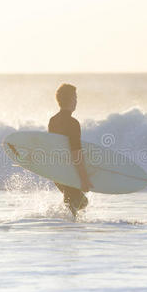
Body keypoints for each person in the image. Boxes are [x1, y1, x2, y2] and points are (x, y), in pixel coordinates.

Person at [48, 83, 93, 216]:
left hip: (57, 172)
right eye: (76, 97)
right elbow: (75, 152)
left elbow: (53, 148)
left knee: (75, 202)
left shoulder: (53, 120)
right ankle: (68, 228)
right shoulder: (73, 123)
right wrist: (84, 178)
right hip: (69, 171)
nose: (76, 101)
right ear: (71, 99)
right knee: (78, 202)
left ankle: (64, 224)